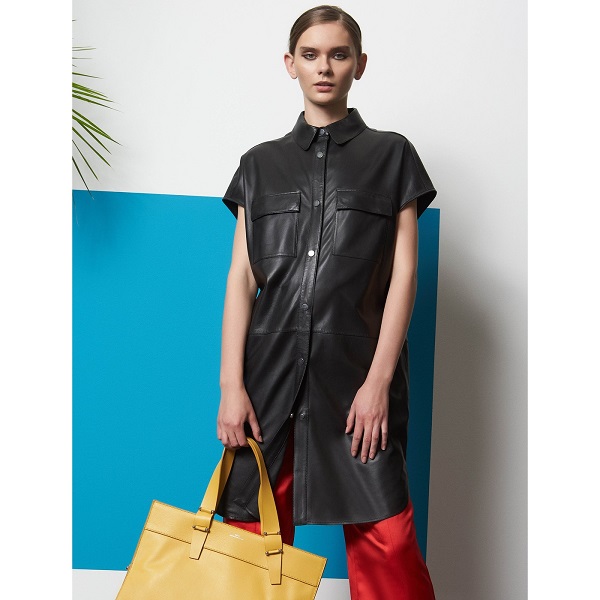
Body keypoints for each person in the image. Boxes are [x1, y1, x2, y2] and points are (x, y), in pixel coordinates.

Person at [216, 5, 437, 599]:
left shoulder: (393, 156)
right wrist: (231, 387)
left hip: (357, 380)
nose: (324, 67)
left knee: (388, 543)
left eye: (338, 55)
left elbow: (405, 274)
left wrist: (379, 382)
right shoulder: (259, 164)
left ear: (359, 65)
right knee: (250, 545)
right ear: (290, 64)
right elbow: (241, 278)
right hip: (269, 384)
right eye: (311, 55)